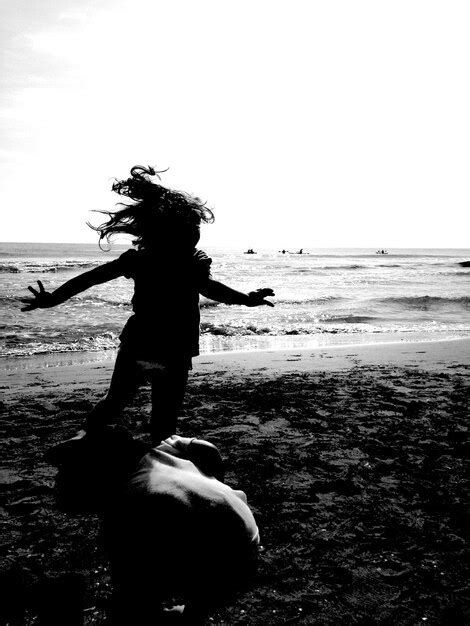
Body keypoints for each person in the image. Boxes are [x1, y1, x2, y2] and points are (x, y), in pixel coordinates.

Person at [21, 165, 274, 442]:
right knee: (161, 418)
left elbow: (91, 279)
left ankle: (87, 439)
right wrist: (247, 300)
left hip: (142, 344)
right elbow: (210, 289)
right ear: (173, 230)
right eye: (192, 227)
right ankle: (112, 448)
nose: (196, 232)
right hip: (173, 347)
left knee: (118, 403)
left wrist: (54, 299)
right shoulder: (189, 262)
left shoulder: (147, 259)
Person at [48, 427, 260, 625]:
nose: (58, 477)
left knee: (131, 607)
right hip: (244, 531)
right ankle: (195, 608)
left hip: (224, 563)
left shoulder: (127, 506)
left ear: (97, 473)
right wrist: (212, 489)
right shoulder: (160, 453)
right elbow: (207, 449)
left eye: (68, 469)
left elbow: (128, 589)